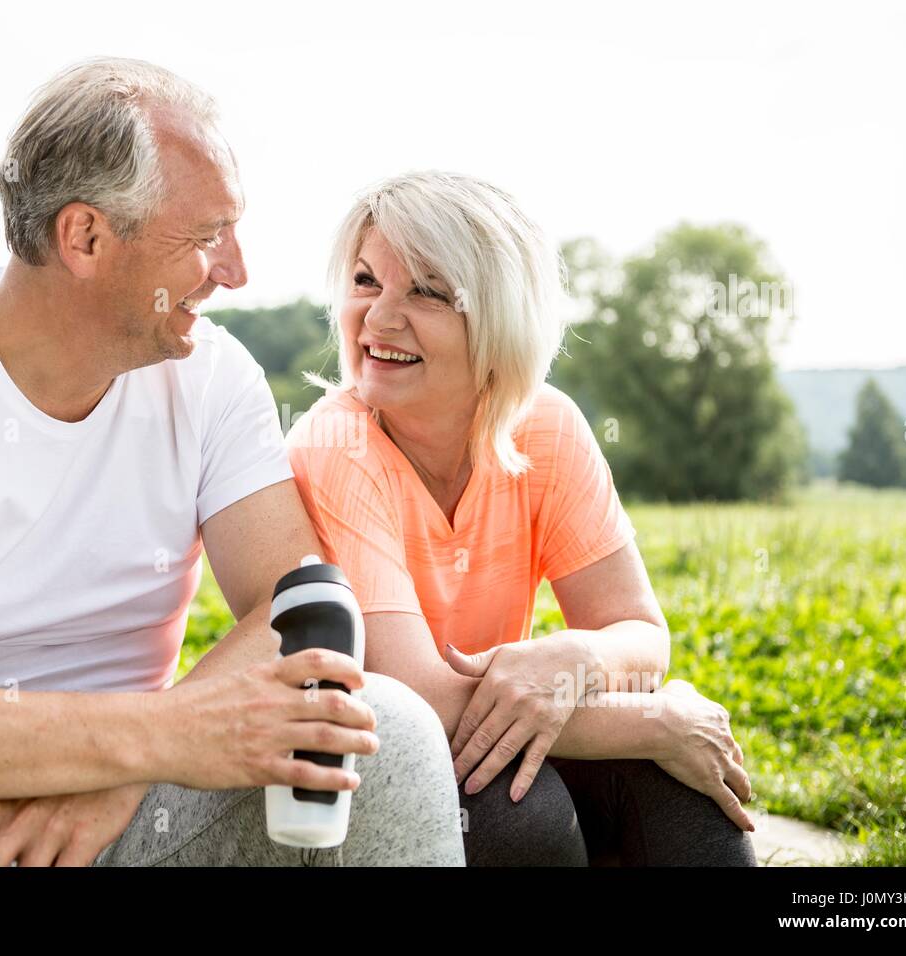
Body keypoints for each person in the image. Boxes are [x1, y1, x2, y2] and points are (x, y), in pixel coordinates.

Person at [0, 59, 465, 867]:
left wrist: (136, 763)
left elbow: (298, 609)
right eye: (205, 237)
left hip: (131, 812)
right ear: (85, 237)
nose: (235, 271)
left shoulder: (214, 377)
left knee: (388, 729)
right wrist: (149, 739)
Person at [286, 171, 758, 866]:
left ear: (499, 317)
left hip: (487, 741)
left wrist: (578, 658)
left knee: (686, 801)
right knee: (517, 815)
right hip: (374, 767)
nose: (379, 317)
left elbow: (639, 635)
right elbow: (423, 703)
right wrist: (656, 720)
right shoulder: (333, 445)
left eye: (426, 290)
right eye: (364, 281)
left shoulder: (548, 426)